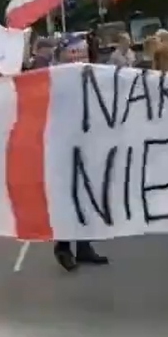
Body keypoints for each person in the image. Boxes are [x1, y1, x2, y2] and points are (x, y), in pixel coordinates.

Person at [50, 35, 109, 271]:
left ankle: (84, 247)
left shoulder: (93, 76)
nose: (79, 57)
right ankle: (63, 247)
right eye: (74, 53)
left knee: (86, 196)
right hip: (63, 146)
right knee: (68, 197)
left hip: (88, 142)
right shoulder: (54, 79)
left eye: (82, 53)